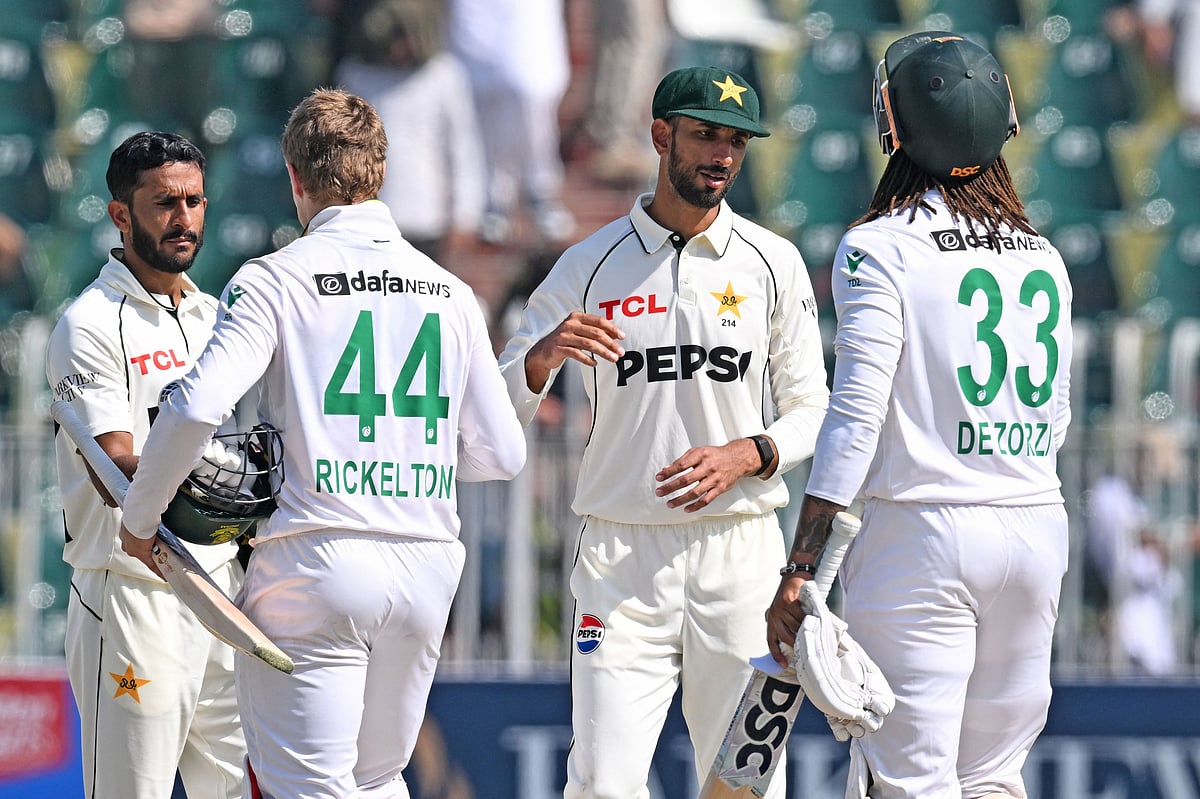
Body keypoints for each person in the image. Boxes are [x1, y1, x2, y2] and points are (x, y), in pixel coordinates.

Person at [118, 88, 527, 799]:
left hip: (316, 561)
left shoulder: (276, 278)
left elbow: (195, 407)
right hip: (427, 568)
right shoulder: (453, 292)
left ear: (294, 176)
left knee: (306, 787)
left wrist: (139, 516)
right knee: (377, 778)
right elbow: (503, 453)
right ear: (381, 172)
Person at [498, 65, 829, 799]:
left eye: (736, 142)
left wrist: (750, 452)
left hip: (739, 550)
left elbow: (814, 408)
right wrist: (544, 354)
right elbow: (495, 405)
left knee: (747, 785)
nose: (720, 156)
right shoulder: (587, 264)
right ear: (659, 135)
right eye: (704, 134)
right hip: (621, 556)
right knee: (601, 785)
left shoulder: (774, 263)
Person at [765, 33, 1074, 799]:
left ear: (891, 126)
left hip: (923, 535)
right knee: (996, 777)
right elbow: (1058, 418)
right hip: (1035, 523)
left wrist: (804, 568)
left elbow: (855, 417)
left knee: (910, 782)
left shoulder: (879, 247)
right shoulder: (1043, 254)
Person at [45, 131, 246, 799]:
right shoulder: (90, 324)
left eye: (192, 201)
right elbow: (119, 465)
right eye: (164, 203)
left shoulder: (216, 317)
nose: (182, 217)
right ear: (121, 214)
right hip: (131, 594)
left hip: (220, 597)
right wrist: (227, 489)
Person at [335, 0, 485, 264]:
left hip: (426, 218)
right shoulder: (356, 74)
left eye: (402, 37)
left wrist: (465, 216)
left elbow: (463, 149)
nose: (397, 48)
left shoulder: (444, 75)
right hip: (366, 218)